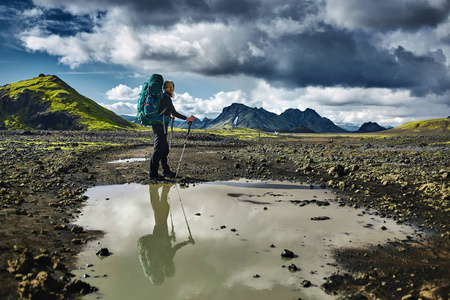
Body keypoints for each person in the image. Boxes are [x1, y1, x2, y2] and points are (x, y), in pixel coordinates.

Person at [149, 80, 195, 179]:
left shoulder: (162, 97)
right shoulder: (166, 97)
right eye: (172, 87)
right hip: (161, 125)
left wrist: (169, 116)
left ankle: (166, 171)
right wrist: (187, 118)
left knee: (164, 149)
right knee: (158, 149)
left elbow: (164, 110)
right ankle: (153, 174)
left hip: (159, 124)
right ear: (171, 88)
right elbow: (174, 111)